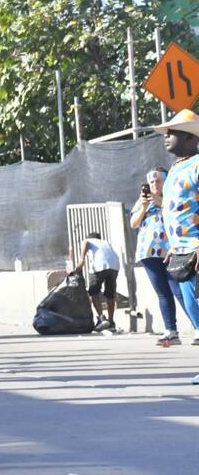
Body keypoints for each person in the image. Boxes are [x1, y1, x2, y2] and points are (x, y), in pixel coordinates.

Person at [157, 109, 199, 346]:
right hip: (181, 251)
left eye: (172, 132)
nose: (166, 135)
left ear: (191, 138)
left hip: (196, 249)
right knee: (193, 310)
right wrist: (172, 246)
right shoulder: (175, 168)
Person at [130, 168, 186, 346]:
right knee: (162, 292)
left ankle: (197, 326)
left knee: (179, 290)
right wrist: (145, 206)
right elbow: (133, 223)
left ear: (166, 182)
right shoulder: (142, 202)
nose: (154, 184)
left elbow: (174, 212)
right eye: (152, 182)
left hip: (170, 250)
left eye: (158, 181)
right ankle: (171, 331)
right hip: (148, 252)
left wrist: (158, 201)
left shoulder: (172, 196)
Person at [75, 233, 121, 332]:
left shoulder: (89, 240)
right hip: (115, 265)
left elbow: (85, 242)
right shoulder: (105, 242)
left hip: (100, 264)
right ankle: (111, 322)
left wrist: (81, 261)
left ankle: (101, 318)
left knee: (93, 291)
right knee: (110, 294)